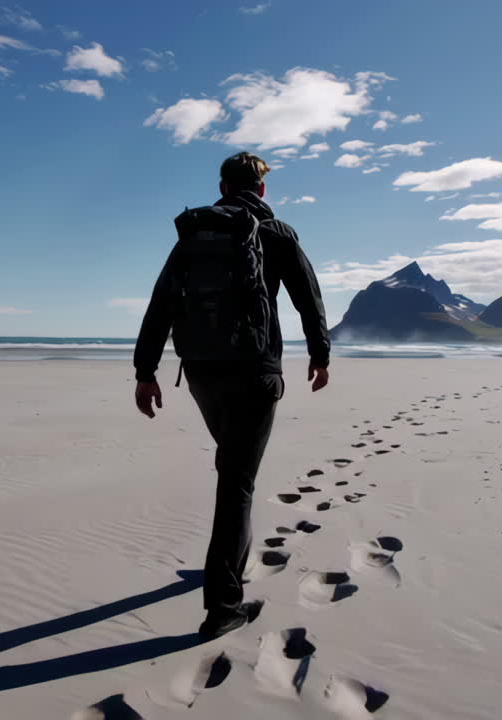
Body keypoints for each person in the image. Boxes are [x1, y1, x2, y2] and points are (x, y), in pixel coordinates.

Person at [132, 152, 331, 639]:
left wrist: (145, 371)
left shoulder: (193, 237)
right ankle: (223, 605)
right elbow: (308, 297)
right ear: (262, 189)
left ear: (222, 187)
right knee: (237, 481)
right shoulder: (276, 233)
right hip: (255, 371)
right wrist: (320, 354)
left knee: (232, 466)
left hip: (202, 372)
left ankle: (226, 564)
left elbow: (162, 303)